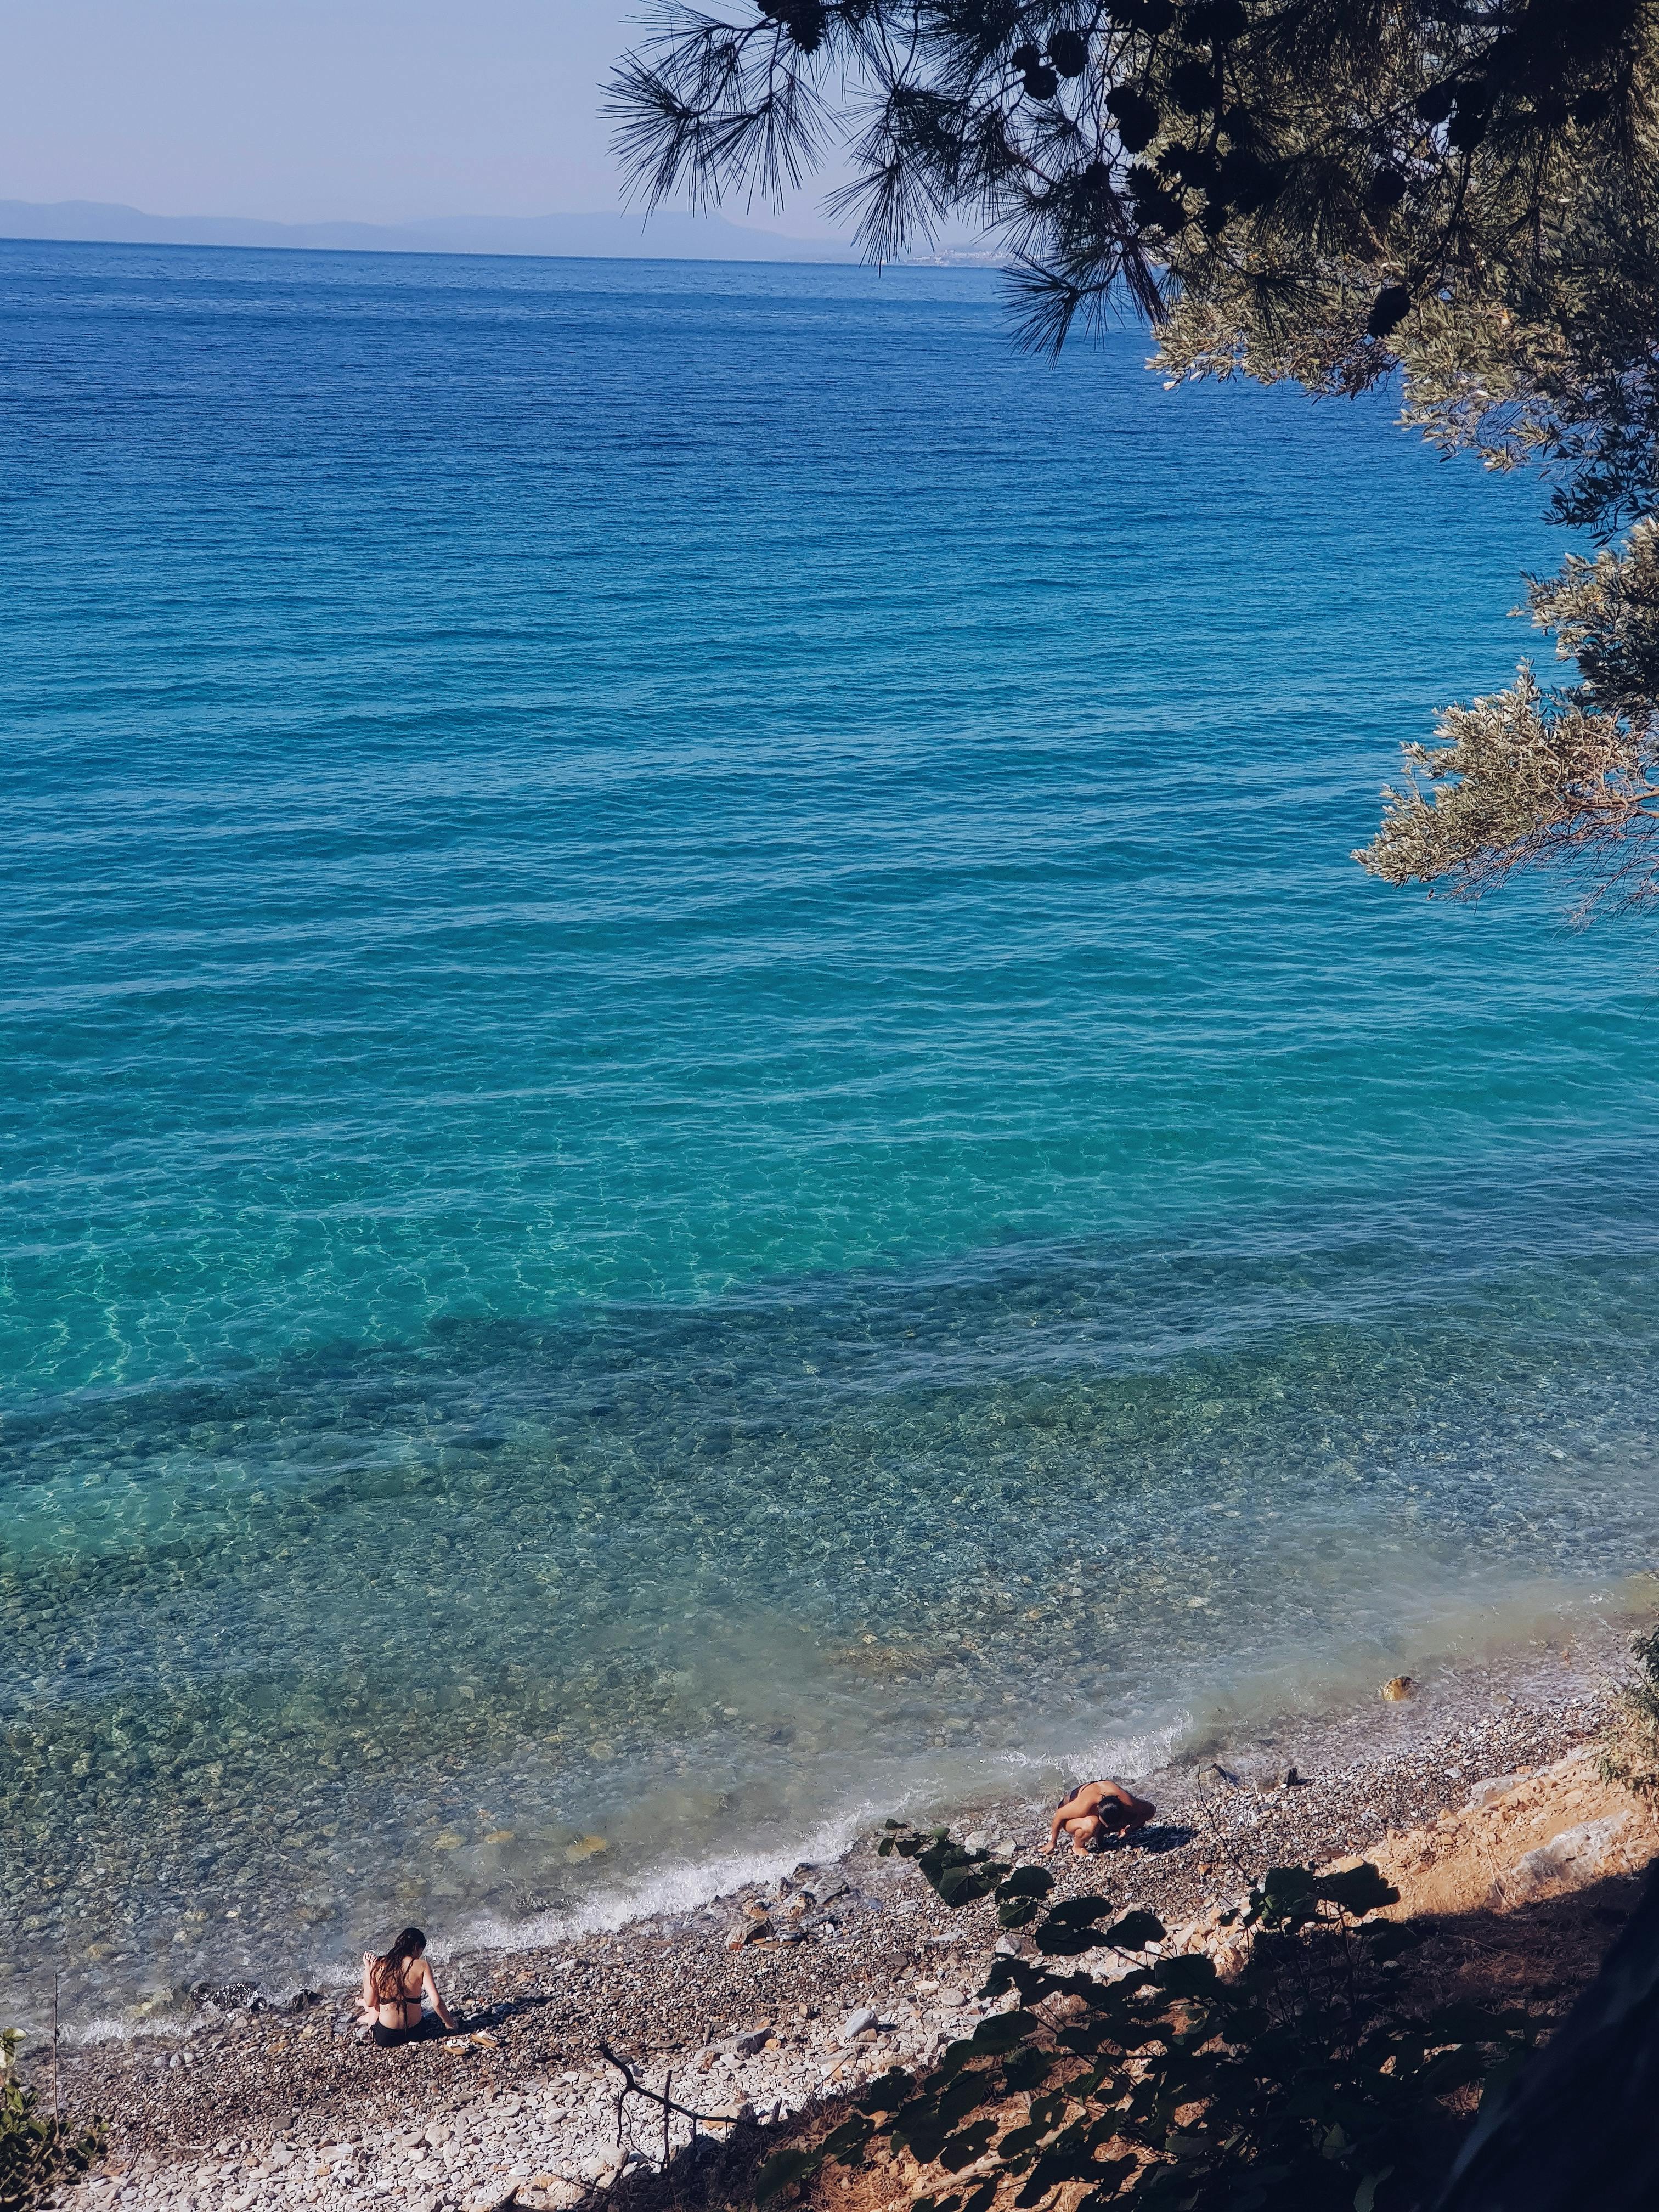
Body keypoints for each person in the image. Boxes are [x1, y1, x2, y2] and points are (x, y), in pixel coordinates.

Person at [356, 1926, 461, 2046]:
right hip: (417, 2033)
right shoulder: (422, 1965)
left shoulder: (380, 1964)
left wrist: (369, 1969)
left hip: (387, 2037)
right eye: (421, 1951)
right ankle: (364, 2008)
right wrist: (450, 2024)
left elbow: (371, 2002)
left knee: (374, 2005)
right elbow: (436, 2002)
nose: (420, 1955)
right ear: (417, 1947)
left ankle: (366, 2016)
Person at [1041, 1778, 1155, 1856]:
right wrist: (1053, 1842)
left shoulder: (1128, 1802)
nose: (1111, 1829)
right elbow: (1060, 1815)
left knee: (1136, 1818)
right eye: (1106, 1826)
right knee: (1092, 1823)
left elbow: (1150, 1810)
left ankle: (1099, 1834)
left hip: (1101, 1811)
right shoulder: (1084, 1806)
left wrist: (1129, 1828)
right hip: (1069, 1815)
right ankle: (1077, 1846)